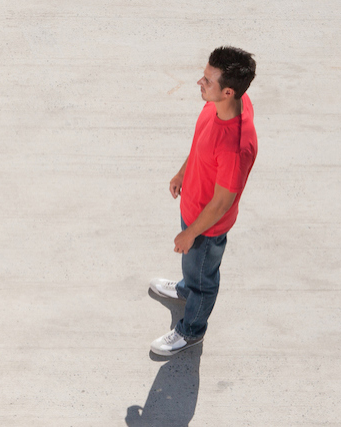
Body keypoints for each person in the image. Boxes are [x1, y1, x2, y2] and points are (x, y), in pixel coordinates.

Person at [149, 46, 258, 356]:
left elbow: (222, 203)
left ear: (227, 91)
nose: (200, 82)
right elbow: (200, 144)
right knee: (194, 268)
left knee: (204, 280)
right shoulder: (222, 105)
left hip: (206, 227)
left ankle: (191, 330)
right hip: (193, 207)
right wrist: (183, 172)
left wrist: (190, 232)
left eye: (208, 80)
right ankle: (186, 288)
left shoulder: (235, 147)